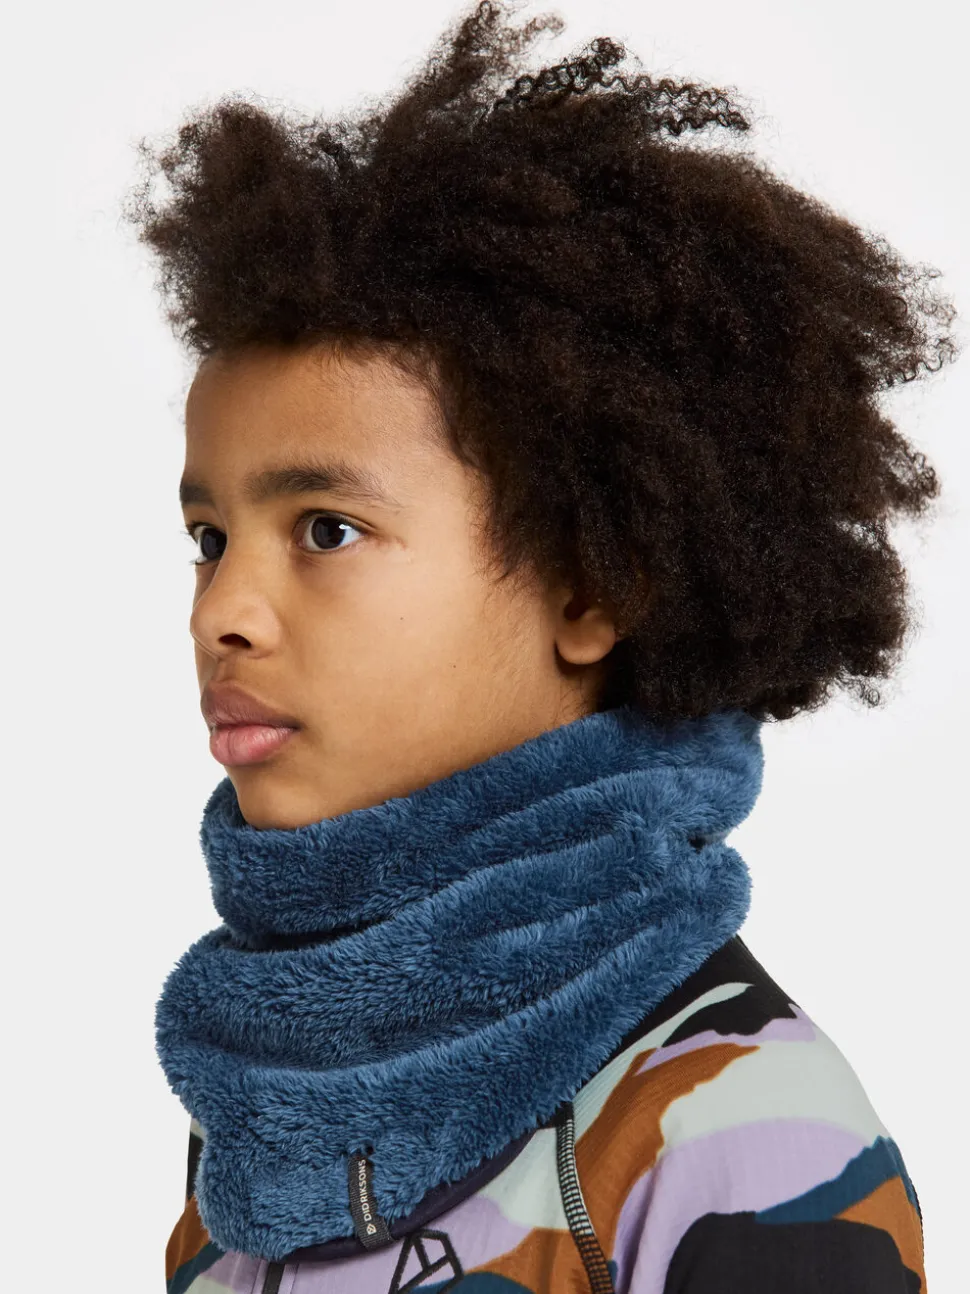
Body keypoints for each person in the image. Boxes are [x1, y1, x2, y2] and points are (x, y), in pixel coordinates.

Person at [124, 2, 958, 1290]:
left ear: (593, 585)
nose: (220, 610)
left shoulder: (742, 1142)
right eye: (208, 537)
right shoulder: (260, 1131)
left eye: (328, 530)